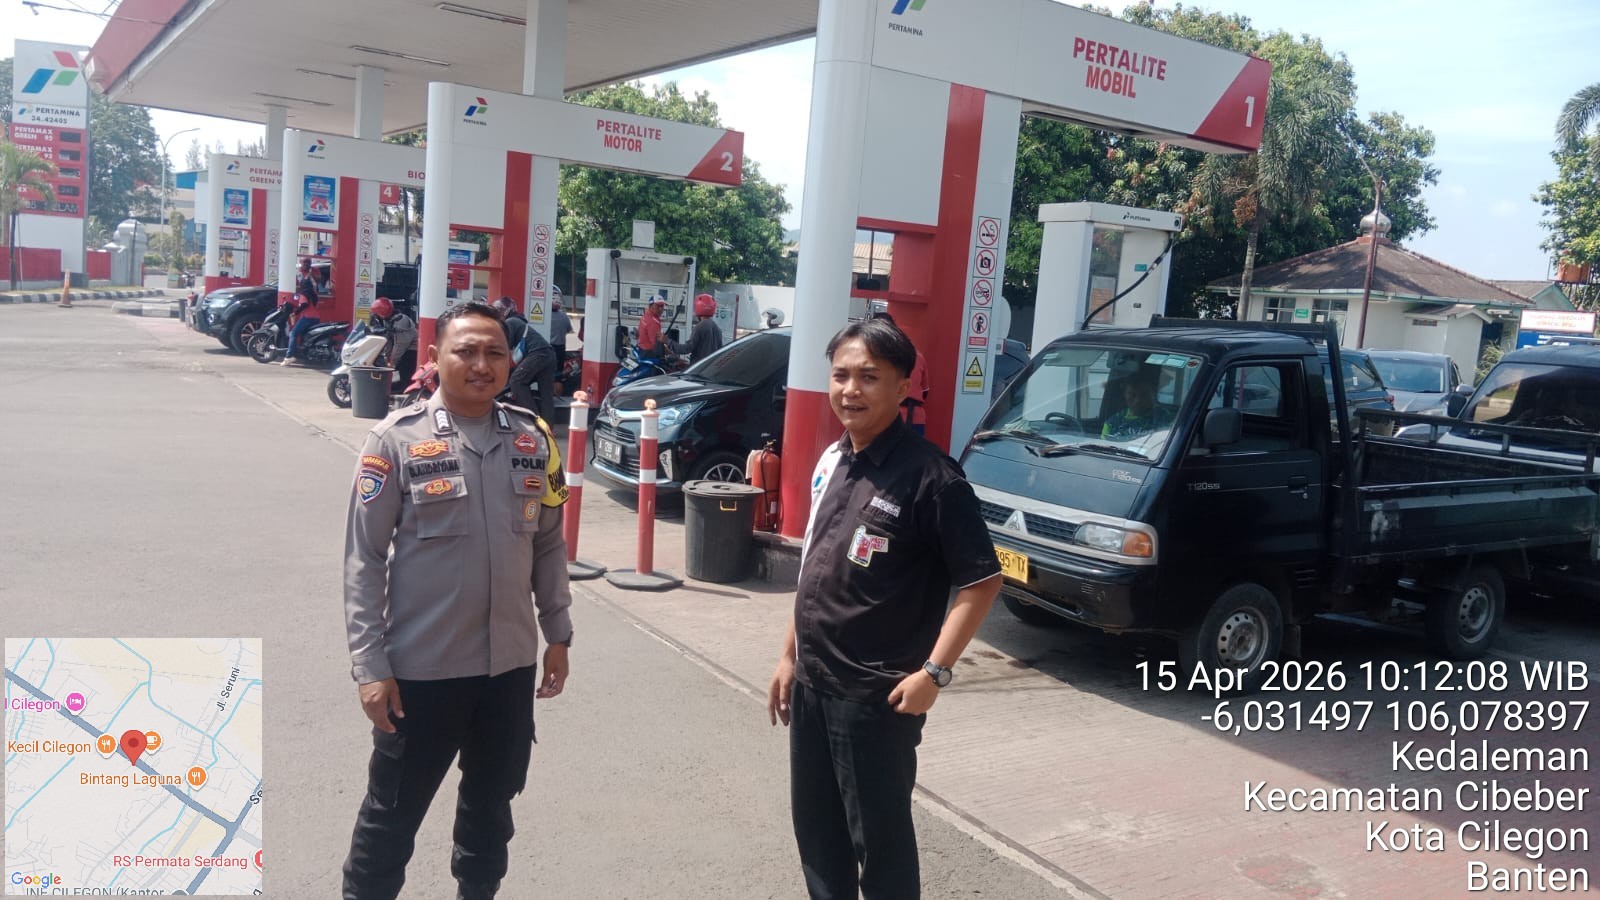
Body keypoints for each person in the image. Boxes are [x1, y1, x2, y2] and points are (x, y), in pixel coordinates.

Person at [342, 300, 573, 900]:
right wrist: (370, 667)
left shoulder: (532, 437)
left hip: (508, 670)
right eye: (465, 351)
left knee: (490, 814)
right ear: (435, 357)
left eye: (494, 352)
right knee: (390, 819)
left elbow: (549, 544)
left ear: (510, 361)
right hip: (421, 673)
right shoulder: (394, 440)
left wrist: (558, 634)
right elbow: (364, 559)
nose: (481, 365)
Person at [766, 317, 1002, 900]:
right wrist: (788, 656)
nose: (851, 390)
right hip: (813, 686)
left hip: (875, 700)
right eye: (841, 375)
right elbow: (813, 568)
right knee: (818, 836)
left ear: (902, 387)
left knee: (881, 849)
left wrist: (934, 674)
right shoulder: (834, 460)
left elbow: (981, 582)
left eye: (869, 377)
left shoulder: (933, 480)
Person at [496, 296, 558, 423]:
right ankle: (546, 427)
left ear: (507, 310)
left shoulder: (510, 322)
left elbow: (504, 349)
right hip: (549, 354)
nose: (498, 314)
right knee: (546, 395)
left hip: (538, 354)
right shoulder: (519, 321)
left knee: (516, 381)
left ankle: (532, 420)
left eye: (499, 310)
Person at [869, 312, 929, 436]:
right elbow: (925, 391)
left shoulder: (874, 356)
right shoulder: (917, 355)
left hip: (886, 417)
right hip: (915, 417)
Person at [1101, 380, 1173, 441]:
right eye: (1132, 395)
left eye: (1143, 395)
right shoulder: (1112, 423)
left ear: (1152, 396)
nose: (1138, 400)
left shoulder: (1164, 418)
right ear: (1124, 396)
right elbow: (1104, 446)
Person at [369, 298, 417, 384]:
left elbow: (400, 345)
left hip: (411, 350)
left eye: (376, 314)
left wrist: (392, 363)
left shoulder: (400, 322)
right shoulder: (389, 320)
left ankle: (404, 387)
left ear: (382, 312)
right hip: (403, 348)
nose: (375, 317)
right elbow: (388, 340)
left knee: (403, 369)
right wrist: (386, 358)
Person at [669, 293, 725, 364]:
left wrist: (667, 341)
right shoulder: (718, 329)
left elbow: (686, 349)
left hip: (699, 367)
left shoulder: (699, 327)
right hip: (710, 367)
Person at [635, 296, 667, 362]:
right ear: (651, 306)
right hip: (649, 354)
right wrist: (671, 352)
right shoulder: (653, 322)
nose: (661, 309)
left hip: (642, 350)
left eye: (662, 306)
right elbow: (656, 345)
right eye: (658, 306)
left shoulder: (646, 315)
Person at [549, 288, 572, 360]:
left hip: (548, 347)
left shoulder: (545, 316)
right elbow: (568, 330)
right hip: (561, 348)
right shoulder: (564, 316)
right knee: (559, 366)